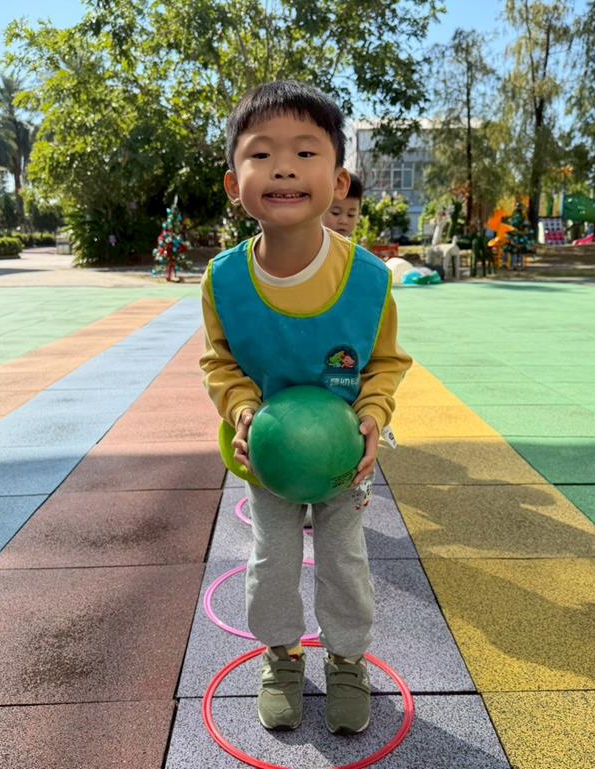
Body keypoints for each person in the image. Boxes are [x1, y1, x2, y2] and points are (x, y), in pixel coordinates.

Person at [200, 80, 412, 735]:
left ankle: (347, 658)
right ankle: (282, 654)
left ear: (339, 180)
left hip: (343, 456)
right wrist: (242, 411)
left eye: (305, 152)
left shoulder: (368, 279)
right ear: (234, 184)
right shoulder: (224, 280)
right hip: (268, 456)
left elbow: (384, 363)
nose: (284, 168)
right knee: (272, 560)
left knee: (345, 561)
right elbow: (221, 363)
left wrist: (373, 415)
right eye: (262, 154)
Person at [323, 172, 363, 238]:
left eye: (351, 214)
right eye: (336, 213)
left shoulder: (352, 245)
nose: (344, 221)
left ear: (358, 216)